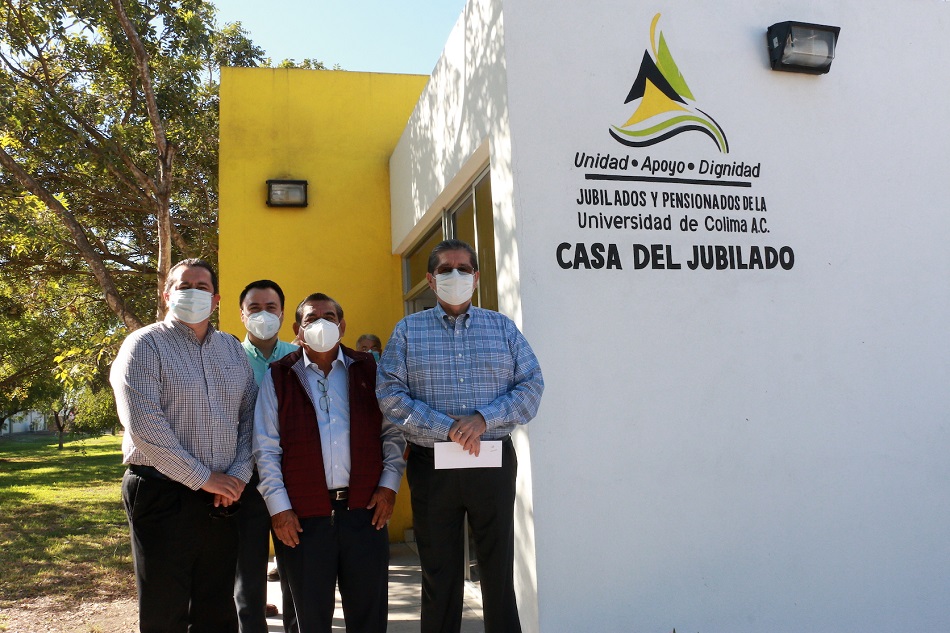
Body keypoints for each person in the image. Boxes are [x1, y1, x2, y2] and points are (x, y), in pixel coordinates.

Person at [376, 239, 544, 633]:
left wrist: (483, 419)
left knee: (498, 569)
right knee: (439, 573)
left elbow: (532, 385)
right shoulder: (408, 331)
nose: (456, 275)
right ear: (431, 280)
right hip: (432, 465)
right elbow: (390, 394)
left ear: (476, 277)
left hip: (492, 461)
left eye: (463, 269)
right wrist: (447, 427)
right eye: (446, 269)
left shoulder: (502, 328)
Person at [110, 258, 258, 633]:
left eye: (202, 287)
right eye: (184, 286)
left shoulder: (231, 349)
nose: (193, 293)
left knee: (216, 608)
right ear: (167, 295)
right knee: (165, 611)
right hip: (162, 494)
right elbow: (143, 423)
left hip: (223, 498)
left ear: (216, 299)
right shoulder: (144, 344)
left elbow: (250, 416)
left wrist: (237, 476)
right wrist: (203, 478)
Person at [253, 293, 407, 633]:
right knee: (308, 620)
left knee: (369, 618)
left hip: (365, 514)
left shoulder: (369, 370)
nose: (321, 323)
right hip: (302, 520)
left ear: (342, 325)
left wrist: (389, 487)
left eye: (329, 316)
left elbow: (392, 434)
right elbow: (266, 449)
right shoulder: (279, 376)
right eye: (311, 319)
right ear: (297, 329)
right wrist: (279, 509)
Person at [236, 279, 299, 632]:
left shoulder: (299, 356)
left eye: (270, 307)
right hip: (245, 478)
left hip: (294, 478)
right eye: (255, 308)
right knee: (248, 571)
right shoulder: (228, 358)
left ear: (282, 313)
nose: (263, 315)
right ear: (242, 315)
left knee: (297, 569)